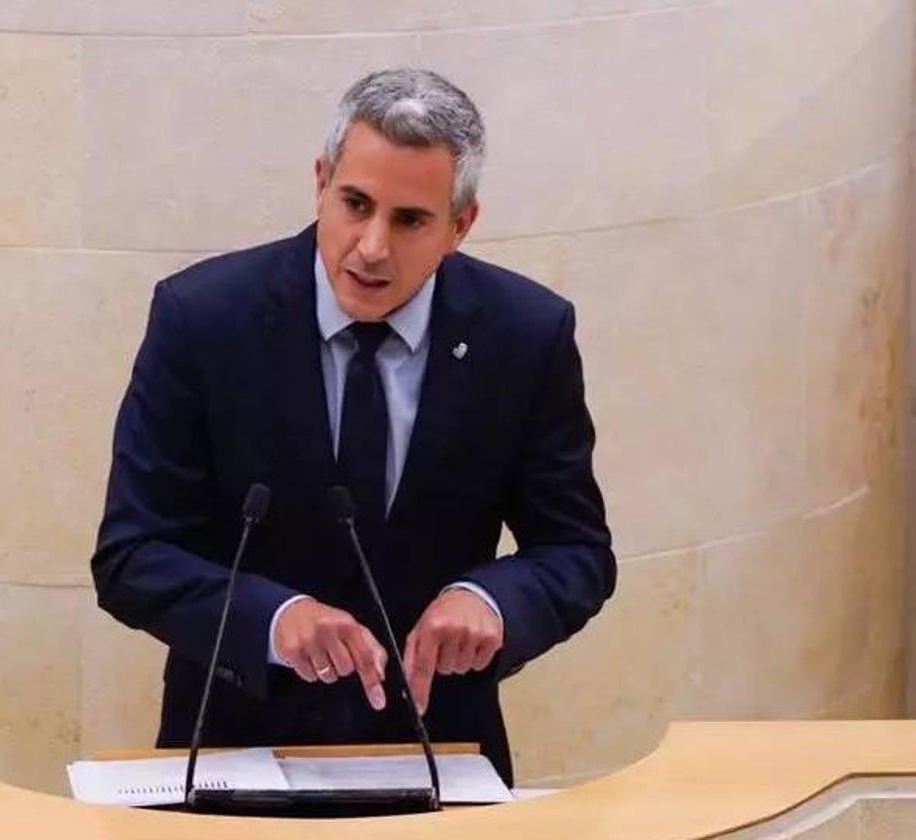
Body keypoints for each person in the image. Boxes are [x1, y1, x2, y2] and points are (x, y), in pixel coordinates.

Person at [91, 68, 615, 784]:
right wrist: (274, 620)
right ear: (320, 183)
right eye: (356, 204)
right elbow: (132, 555)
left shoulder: (525, 335)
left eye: (409, 220)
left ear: (460, 226)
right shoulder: (205, 319)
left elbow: (575, 552)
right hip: (237, 748)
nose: (371, 246)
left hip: (438, 754)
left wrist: (490, 600)